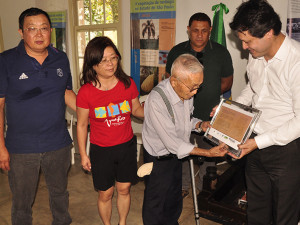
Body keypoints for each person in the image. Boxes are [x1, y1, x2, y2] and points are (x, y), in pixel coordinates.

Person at [0, 7, 76, 225]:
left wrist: (95, 109)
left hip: (58, 143)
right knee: (22, 202)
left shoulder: (60, 58)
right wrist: (1, 146)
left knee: (60, 195)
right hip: (21, 148)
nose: (39, 34)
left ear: (51, 30)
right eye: (32, 29)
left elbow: (67, 93)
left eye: (44, 28)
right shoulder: (5, 61)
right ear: (21, 32)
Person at [229, 0, 300, 224]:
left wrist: (258, 143)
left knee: (284, 216)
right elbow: (253, 88)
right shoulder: (255, 54)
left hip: (286, 150)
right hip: (254, 141)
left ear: (269, 33)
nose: (244, 48)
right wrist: (231, 111)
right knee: (256, 212)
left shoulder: (296, 62)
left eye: (248, 42)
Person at [142, 53, 228, 225]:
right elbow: (173, 143)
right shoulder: (157, 101)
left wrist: (199, 125)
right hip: (158, 159)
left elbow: (184, 120)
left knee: (174, 199)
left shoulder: (185, 91)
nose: (196, 92)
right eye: (192, 87)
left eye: (198, 87)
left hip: (175, 156)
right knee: (156, 203)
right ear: (174, 81)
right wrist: (208, 153)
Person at [76, 36, 144, 225]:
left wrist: (154, 110)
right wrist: (83, 154)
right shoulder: (86, 92)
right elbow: (81, 125)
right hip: (101, 150)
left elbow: (136, 110)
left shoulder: (127, 83)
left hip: (126, 147)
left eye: (113, 58)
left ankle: (122, 222)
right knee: (106, 194)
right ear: (93, 64)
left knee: (124, 190)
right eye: (104, 60)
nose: (110, 63)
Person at [165, 12, 234, 197]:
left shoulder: (221, 52)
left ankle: (206, 187)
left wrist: (209, 92)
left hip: (209, 116)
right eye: (195, 30)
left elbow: (227, 82)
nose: (199, 35)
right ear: (188, 30)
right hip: (181, 115)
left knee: (209, 153)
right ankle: (183, 185)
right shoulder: (177, 51)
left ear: (210, 30)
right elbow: (168, 80)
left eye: (204, 31)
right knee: (183, 151)